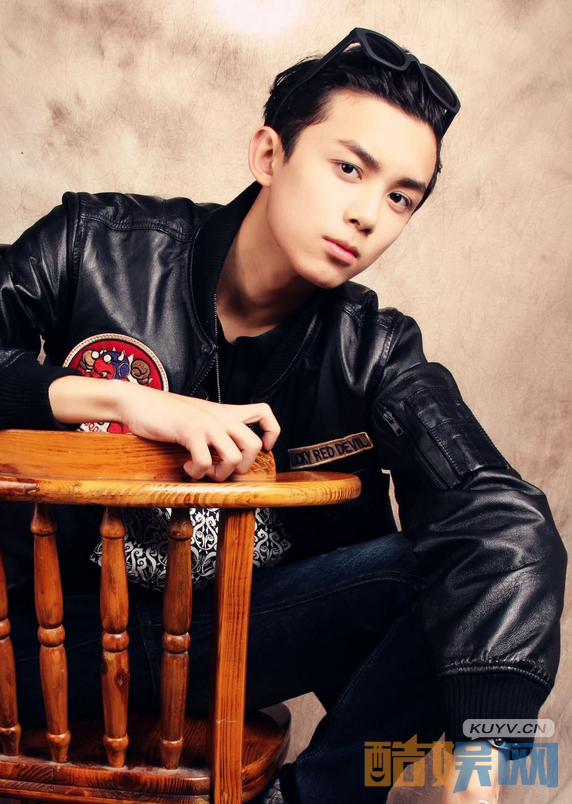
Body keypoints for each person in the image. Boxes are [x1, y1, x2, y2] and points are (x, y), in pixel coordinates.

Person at [0, 28, 566, 804]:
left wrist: (490, 753)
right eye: (349, 168)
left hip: (226, 647)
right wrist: (127, 400)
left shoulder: (374, 349)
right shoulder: (96, 244)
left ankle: (312, 799)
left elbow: (499, 513)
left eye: (400, 197)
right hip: (39, 642)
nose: (367, 215)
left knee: (453, 576)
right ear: (269, 155)